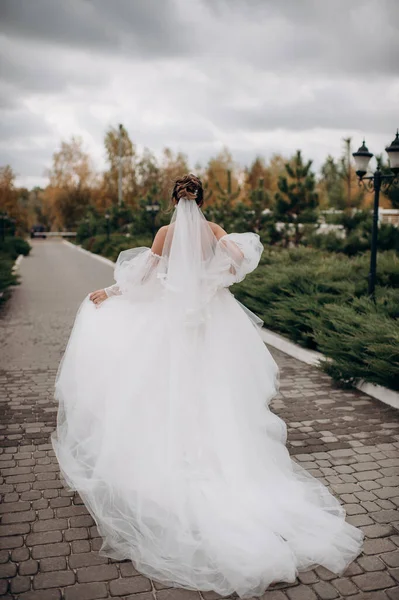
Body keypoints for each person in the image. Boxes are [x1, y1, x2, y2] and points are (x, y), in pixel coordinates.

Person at [52, 174, 364, 599]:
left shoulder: (165, 232)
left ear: (174, 200)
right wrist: (217, 265)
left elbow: (143, 275)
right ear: (201, 199)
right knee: (215, 391)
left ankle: (178, 457)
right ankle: (221, 456)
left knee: (171, 389)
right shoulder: (213, 229)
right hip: (213, 322)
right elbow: (236, 260)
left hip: (174, 321)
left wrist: (108, 291)